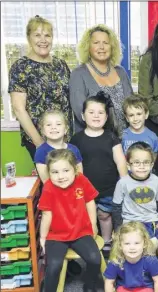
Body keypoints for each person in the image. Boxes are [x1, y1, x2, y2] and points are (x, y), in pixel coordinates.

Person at [70, 91, 127, 257]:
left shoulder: (111, 137)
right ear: (83, 115)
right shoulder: (76, 139)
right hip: (84, 189)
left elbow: (120, 161)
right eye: (91, 112)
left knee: (104, 215)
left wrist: (124, 183)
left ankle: (107, 242)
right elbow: (71, 164)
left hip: (108, 188)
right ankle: (89, 243)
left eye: (100, 112)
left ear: (106, 116)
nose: (96, 116)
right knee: (87, 217)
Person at [111, 142, 158, 292]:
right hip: (132, 222)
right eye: (136, 163)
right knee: (150, 245)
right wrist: (118, 229)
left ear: (152, 164)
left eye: (146, 162)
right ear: (128, 164)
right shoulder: (123, 183)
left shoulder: (156, 181)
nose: (141, 166)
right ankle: (145, 277)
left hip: (152, 219)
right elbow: (116, 207)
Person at [9, 16, 72, 161]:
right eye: (37, 35)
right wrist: (40, 144)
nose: (43, 40)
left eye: (47, 35)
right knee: (50, 181)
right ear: (28, 38)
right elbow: (19, 109)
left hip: (63, 137)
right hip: (38, 138)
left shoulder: (61, 65)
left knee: (68, 179)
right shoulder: (21, 67)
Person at [38, 149, 101, 292]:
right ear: (49, 173)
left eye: (66, 170)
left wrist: (93, 224)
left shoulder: (82, 180)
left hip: (81, 231)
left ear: (75, 169)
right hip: (56, 235)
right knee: (54, 265)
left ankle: (89, 286)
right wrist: (43, 237)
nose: (61, 176)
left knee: (94, 259)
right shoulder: (48, 187)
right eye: (55, 172)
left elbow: (90, 202)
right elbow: (46, 215)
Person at [70, 24, 133, 134]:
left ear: (112, 47)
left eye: (106, 43)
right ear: (88, 47)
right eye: (96, 43)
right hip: (96, 139)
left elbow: (132, 105)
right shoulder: (78, 74)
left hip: (126, 138)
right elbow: (81, 114)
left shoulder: (121, 71)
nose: (102, 47)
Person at [104, 222, 158, 292]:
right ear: (120, 245)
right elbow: (109, 282)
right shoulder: (116, 261)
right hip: (124, 288)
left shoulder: (150, 260)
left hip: (144, 288)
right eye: (127, 243)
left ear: (144, 244)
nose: (132, 247)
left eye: (137, 243)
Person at [34, 110, 83, 183]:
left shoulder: (74, 149)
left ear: (66, 129)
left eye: (58, 124)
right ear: (43, 131)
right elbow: (46, 181)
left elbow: (80, 175)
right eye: (48, 125)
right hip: (53, 193)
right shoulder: (41, 152)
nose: (53, 127)